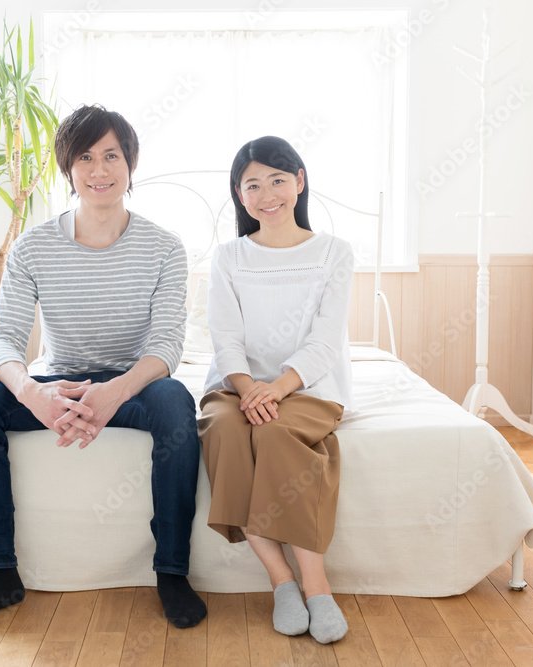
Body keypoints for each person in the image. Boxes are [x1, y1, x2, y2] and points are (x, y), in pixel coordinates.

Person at [0, 104, 207, 632]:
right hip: (55, 383)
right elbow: (3, 339)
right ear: (68, 168)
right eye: (85, 157)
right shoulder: (33, 246)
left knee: (175, 401)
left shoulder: (166, 248)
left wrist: (117, 393)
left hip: (133, 386)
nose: (100, 169)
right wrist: (34, 395)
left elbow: (168, 343)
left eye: (112, 155)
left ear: (130, 164)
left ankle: (172, 571)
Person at [198, 136, 354, 644]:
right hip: (237, 386)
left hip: (308, 386)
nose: (267, 193)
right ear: (240, 196)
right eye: (253, 185)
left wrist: (279, 387)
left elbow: (325, 340)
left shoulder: (334, 252)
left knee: (273, 436)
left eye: (278, 180)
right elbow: (225, 337)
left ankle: (317, 585)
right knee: (224, 429)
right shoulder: (228, 257)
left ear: (300, 182)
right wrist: (247, 389)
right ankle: (281, 579)